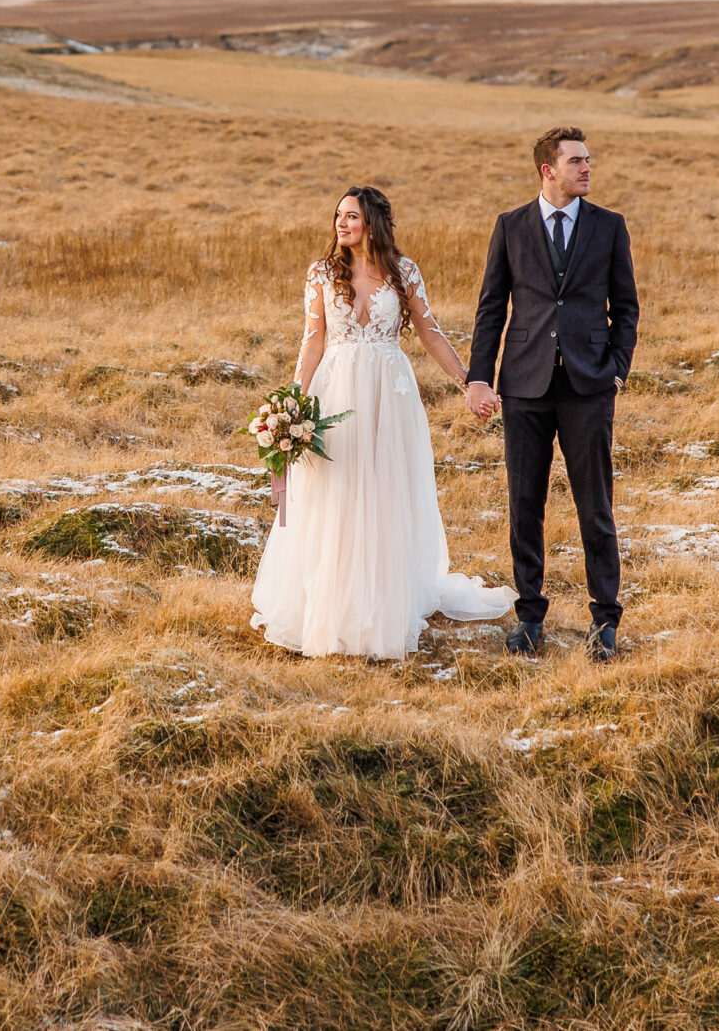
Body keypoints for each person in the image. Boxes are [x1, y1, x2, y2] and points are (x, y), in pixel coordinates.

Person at [248, 186, 517, 659]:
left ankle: (381, 604)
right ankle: (331, 606)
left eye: (351, 215)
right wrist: (292, 399)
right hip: (335, 394)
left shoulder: (403, 271)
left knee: (385, 491)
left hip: (390, 397)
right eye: (337, 216)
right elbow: (312, 341)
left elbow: (430, 333)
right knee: (338, 491)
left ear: (372, 222)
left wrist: (469, 383)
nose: (341, 223)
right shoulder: (322, 273)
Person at [466, 128, 638, 661]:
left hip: (589, 385)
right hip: (525, 384)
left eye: (588, 161)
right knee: (525, 504)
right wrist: (479, 377)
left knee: (596, 506)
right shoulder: (511, 226)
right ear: (548, 169)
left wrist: (617, 371)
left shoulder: (609, 227)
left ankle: (604, 622)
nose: (587, 169)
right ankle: (529, 616)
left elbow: (626, 308)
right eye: (577, 161)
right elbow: (492, 307)